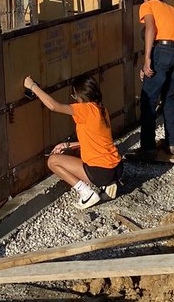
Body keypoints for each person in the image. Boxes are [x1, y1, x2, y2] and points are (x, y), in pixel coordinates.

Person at [23, 73, 122, 209]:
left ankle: (87, 194)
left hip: (101, 172)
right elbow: (97, 140)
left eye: (74, 96)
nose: (74, 99)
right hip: (116, 168)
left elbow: (53, 106)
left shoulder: (85, 109)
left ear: (80, 95)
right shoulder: (102, 109)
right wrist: (67, 145)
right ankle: (109, 184)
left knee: (53, 161)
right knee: (90, 165)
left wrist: (32, 86)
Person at [138, 0, 174, 155]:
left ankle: (148, 147)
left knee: (148, 99)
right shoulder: (170, 8)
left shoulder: (147, 5)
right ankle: (172, 144)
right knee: (168, 97)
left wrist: (146, 60)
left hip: (164, 50)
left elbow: (150, 28)